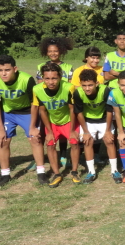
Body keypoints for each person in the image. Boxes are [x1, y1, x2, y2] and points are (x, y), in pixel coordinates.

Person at [0, 55, 43, 187]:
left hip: (27, 111)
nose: (3, 73)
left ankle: (41, 173)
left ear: (15, 69)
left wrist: (33, 127)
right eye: (0, 70)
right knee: (3, 140)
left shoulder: (26, 79)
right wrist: (0, 129)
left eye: (7, 70)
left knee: (35, 138)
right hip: (7, 112)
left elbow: (34, 104)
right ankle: (5, 175)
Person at [31, 63, 79, 188]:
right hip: (52, 122)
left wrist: (72, 129)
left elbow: (72, 109)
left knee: (74, 142)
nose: (51, 82)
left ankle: (74, 172)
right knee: (50, 144)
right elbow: (42, 111)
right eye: (47, 78)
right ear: (43, 78)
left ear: (60, 77)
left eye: (54, 78)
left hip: (68, 121)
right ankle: (57, 174)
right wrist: (49, 131)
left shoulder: (69, 88)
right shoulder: (37, 90)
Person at [73, 69, 117, 184]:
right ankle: (91, 172)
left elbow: (109, 111)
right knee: (87, 142)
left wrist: (108, 131)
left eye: (90, 85)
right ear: (80, 84)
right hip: (88, 121)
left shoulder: (105, 90)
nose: (87, 88)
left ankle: (114, 170)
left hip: (103, 120)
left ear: (97, 83)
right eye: (84, 85)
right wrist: (86, 132)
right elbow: (79, 113)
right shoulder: (78, 93)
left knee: (109, 141)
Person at [35, 37, 74, 168]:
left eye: (56, 51)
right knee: (45, 131)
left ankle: (63, 155)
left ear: (61, 51)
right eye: (50, 51)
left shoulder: (68, 67)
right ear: (46, 52)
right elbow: (41, 87)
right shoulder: (41, 67)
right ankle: (41, 158)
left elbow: (69, 85)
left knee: (64, 132)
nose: (53, 53)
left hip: (63, 102)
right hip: (48, 104)